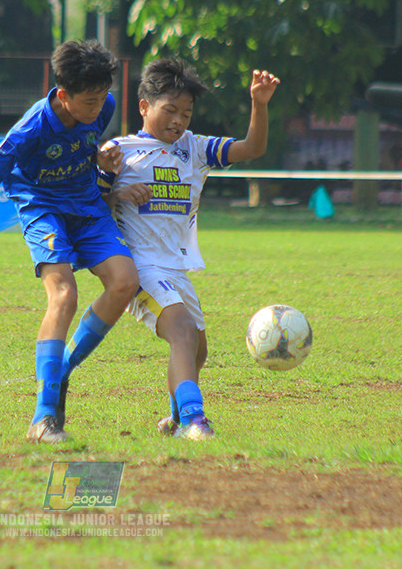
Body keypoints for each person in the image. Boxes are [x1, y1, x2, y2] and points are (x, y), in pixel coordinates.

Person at [0, 39, 139, 444]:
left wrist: (101, 162)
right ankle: (43, 418)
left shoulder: (103, 106)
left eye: (103, 96)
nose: (98, 107)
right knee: (63, 296)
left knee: (124, 281)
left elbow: (85, 150)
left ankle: (60, 369)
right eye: (88, 100)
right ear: (63, 95)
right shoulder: (31, 128)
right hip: (43, 209)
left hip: (86, 206)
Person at [99, 58, 280, 440]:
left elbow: (252, 148)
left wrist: (259, 105)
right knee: (182, 332)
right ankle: (196, 421)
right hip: (140, 268)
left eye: (186, 112)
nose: (179, 120)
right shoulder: (118, 151)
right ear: (144, 106)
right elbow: (90, 209)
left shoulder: (194, 148)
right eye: (170, 110)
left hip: (176, 269)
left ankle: (175, 419)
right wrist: (115, 189)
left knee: (197, 349)